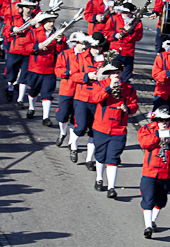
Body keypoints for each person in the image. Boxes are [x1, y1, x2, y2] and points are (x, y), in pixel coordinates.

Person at [138, 106, 170, 238]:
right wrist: (157, 135)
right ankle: (148, 226)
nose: (164, 122)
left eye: (166, 120)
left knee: (160, 201)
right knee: (148, 199)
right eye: (161, 120)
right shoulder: (148, 129)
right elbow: (144, 143)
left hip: (165, 173)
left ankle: (152, 221)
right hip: (149, 171)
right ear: (156, 119)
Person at [91, 60, 139, 198]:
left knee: (113, 158)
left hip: (119, 129)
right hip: (101, 127)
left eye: (118, 72)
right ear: (109, 74)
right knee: (100, 156)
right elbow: (95, 98)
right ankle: (99, 179)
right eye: (113, 73)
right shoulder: (99, 85)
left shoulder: (129, 89)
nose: (116, 75)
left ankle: (111, 187)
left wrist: (127, 108)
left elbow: (134, 106)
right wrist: (109, 88)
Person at [67, 32, 107, 164]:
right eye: (95, 47)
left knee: (94, 130)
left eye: (100, 47)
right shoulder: (79, 57)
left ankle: (89, 159)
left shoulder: (105, 58)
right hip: (82, 97)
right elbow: (73, 76)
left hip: (98, 98)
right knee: (81, 127)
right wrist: (87, 76)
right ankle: (73, 146)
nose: (97, 50)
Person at [23, 13, 68, 124]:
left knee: (47, 93)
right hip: (35, 68)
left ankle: (45, 117)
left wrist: (59, 41)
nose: (51, 24)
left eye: (53, 21)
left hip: (50, 69)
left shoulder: (58, 34)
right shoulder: (33, 32)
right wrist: (36, 47)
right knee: (33, 91)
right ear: (43, 22)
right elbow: (25, 47)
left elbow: (62, 50)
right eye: (49, 22)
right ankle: (31, 108)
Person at [54, 32, 88, 150]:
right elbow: (58, 70)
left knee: (76, 117)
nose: (84, 46)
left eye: (86, 43)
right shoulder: (65, 54)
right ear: (76, 43)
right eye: (82, 43)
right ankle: (63, 132)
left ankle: (72, 142)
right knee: (63, 114)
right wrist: (67, 72)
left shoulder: (88, 56)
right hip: (67, 89)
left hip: (81, 91)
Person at [4, 0, 36, 106]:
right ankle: (10, 88)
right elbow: (5, 31)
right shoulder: (14, 19)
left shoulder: (35, 21)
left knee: (25, 76)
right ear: (22, 8)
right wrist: (13, 28)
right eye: (26, 8)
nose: (28, 10)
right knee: (11, 73)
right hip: (15, 50)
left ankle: (20, 99)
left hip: (28, 51)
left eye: (31, 8)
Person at [103, 2, 144, 81]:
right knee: (112, 71)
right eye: (124, 12)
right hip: (114, 50)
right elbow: (106, 32)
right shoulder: (114, 18)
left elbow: (138, 37)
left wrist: (130, 32)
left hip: (128, 51)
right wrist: (115, 35)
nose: (125, 14)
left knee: (126, 74)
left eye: (127, 12)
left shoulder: (137, 22)